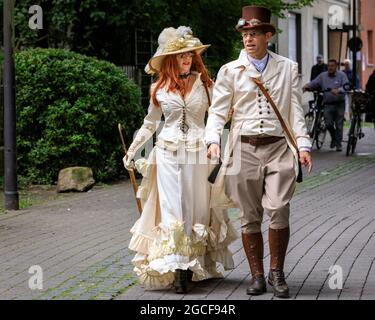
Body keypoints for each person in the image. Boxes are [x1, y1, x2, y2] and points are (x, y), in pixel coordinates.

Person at [204, 6, 312, 298]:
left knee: (278, 209)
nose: (248, 39)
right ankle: (257, 276)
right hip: (244, 150)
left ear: (268, 35)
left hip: (279, 148)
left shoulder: (288, 67)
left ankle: (277, 273)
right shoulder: (230, 71)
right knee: (249, 216)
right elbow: (217, 112)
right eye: (245, 35)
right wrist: (213, 140)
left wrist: (302, 145)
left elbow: (295, 111)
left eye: (254, 34)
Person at [123, 26, 236, 294]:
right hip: (168, 154)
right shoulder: (158, 89)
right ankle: (179, 271)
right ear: (171, 59)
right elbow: (150, 123)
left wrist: (234, 114)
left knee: (196, 208)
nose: (187, 59)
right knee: (175, 209)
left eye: (190, 54)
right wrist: (133, 149)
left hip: (198, 154)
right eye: (182, 55)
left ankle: (194, 265)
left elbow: (219, 118)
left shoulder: (206, 85)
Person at [303, 59, 349, 151]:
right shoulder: (323, 76)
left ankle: (338, 144)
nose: (330, 68)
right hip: (328, 104)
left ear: (336, 66)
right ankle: (335, 138)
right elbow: (314, 82)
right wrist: (307, 86)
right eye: (328, 66)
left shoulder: (342, 75)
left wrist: (339, 90)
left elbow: (347, 86)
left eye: (332, 66)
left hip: (339, 103)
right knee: (328, 124)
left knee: (339, 124)